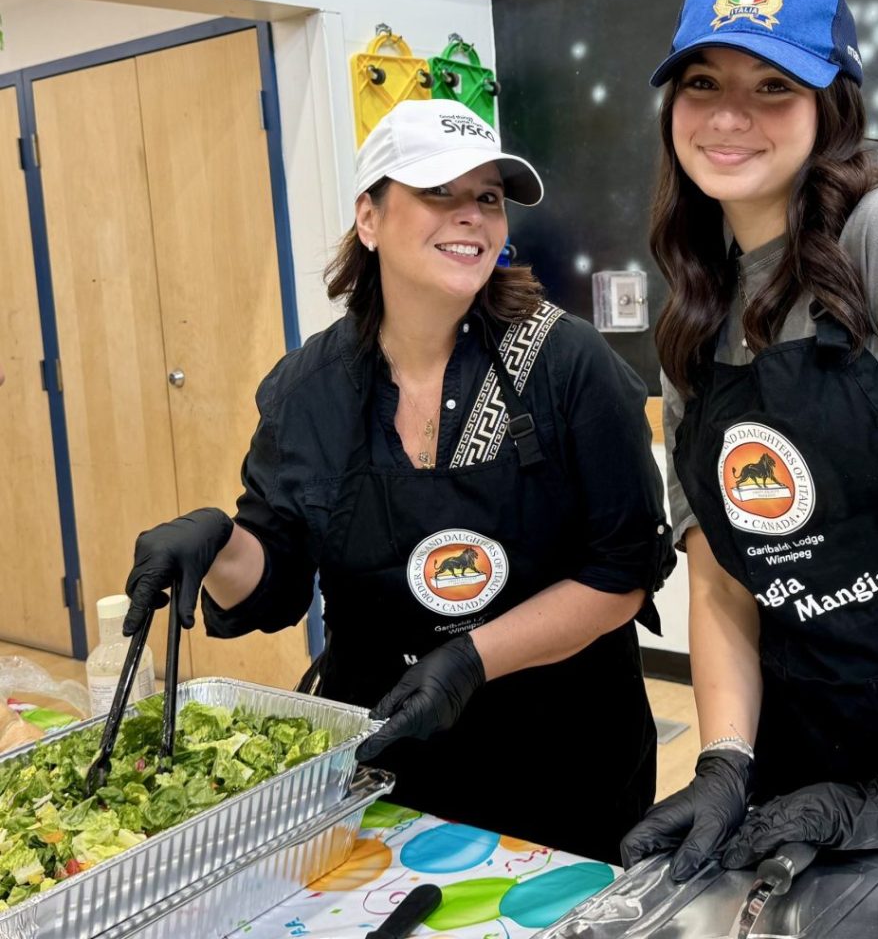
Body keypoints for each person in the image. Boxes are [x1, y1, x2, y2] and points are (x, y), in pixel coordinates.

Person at [123, 98, 675, 863]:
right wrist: (215, 542)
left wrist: (472, 659)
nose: (471, 217)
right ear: (370, 218)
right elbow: (275, 578)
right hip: (388, 763)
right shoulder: (308, 386)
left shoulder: (565, 364)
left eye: (487, 198)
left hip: (565, 762)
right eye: (438, 193)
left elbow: (622, 573)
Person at [620, 0, 878, 879]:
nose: (728, 116)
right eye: (702, 84)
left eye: (773, 85)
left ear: (829, 106)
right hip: (814, 774)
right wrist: (724, 759)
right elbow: (723, 572)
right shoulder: (694, 303)